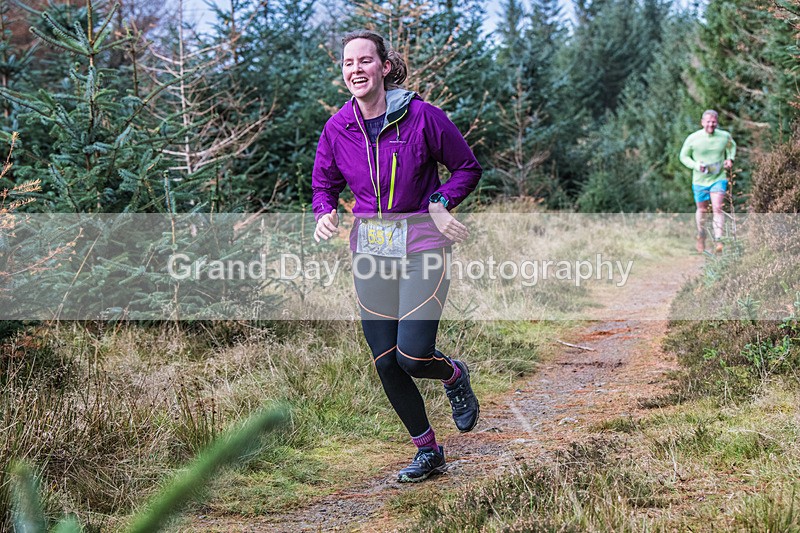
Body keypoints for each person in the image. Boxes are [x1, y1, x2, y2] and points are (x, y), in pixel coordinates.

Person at [311, 30, 482, 483]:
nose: (356, 70)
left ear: (385, 67)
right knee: (385, 360)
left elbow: (467, 167)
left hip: (423, 244)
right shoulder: (337, 128)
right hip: (371, 251)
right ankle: (428, 451)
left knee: (412, 355)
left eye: (365, 61)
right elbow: (323, 184)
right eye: (348, 63)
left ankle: (452, 374)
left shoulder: (422, 117)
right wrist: (324, 212)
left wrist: (440, 203)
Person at [679, 109, 736, 254]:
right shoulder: (693, 138)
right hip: (699, 179)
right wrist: (696, 165)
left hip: (718, 178)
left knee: (717, 208)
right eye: (708, 122)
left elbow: (731, 146)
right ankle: (701, 234)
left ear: (717, 122)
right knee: (702, 210)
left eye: (714, 122)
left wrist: (730, 159)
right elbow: (683, 156)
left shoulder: (724, 136)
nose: (711, 125)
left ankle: (718, 240)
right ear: (702, 122)